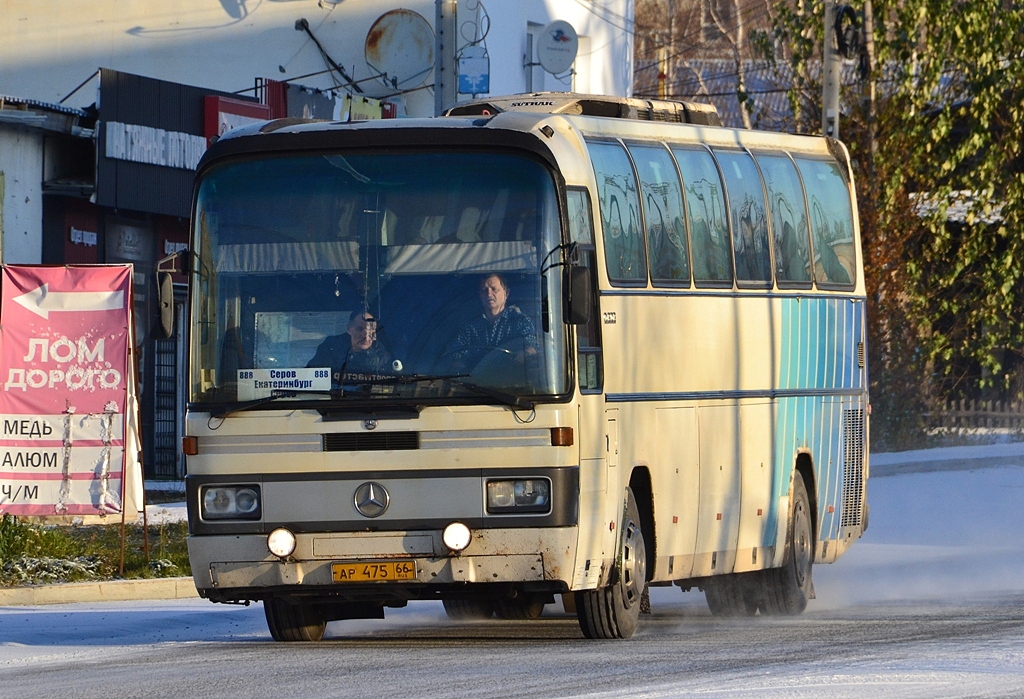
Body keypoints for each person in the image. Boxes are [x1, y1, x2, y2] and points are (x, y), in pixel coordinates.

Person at [448, 273, 538, 372]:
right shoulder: (470, 326)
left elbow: (532, 346)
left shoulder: (520, 321)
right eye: (484, 290)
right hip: (475, 381)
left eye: (494, 289)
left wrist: (524, 354)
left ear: (506, 293)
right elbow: (455, 355)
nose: (489, 294)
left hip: (510, 381)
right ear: (480, 295)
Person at [308, 309, 395, 385]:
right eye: (360, 329)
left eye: (371, 330)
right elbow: (310, 377)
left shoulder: (384, 359)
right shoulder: (329, 349)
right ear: (349, 329)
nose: (365, 335)